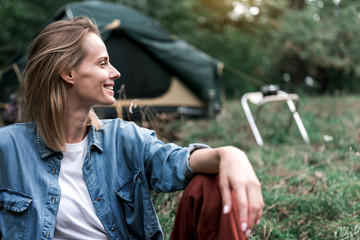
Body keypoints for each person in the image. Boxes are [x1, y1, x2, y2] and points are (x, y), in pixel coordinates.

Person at [0, 16, 264, 240]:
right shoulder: (8, 147)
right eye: (102, 63)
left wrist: (231, 154)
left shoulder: (123, 138)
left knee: (209, 185)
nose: (115, 72)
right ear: (68, 73)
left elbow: (177, 162)